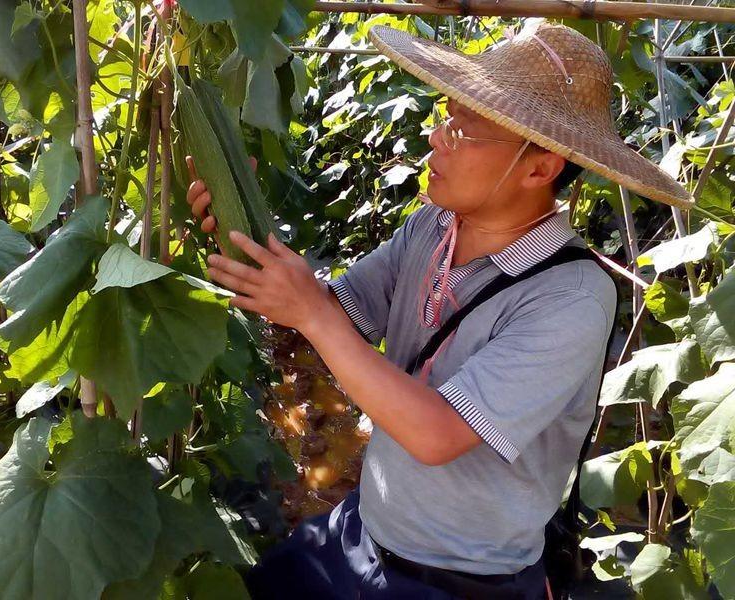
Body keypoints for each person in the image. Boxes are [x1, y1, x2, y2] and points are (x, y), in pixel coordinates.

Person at [187, 19, 692, 600]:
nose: (437, 137)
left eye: (463, 129)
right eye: (444, 115)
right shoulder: (431, 227)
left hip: (457, 581)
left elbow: (437, 434)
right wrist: (242, 237)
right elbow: (333, 313)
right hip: (363, 531)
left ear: (539, 167)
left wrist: (313, 314)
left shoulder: (572, 297)